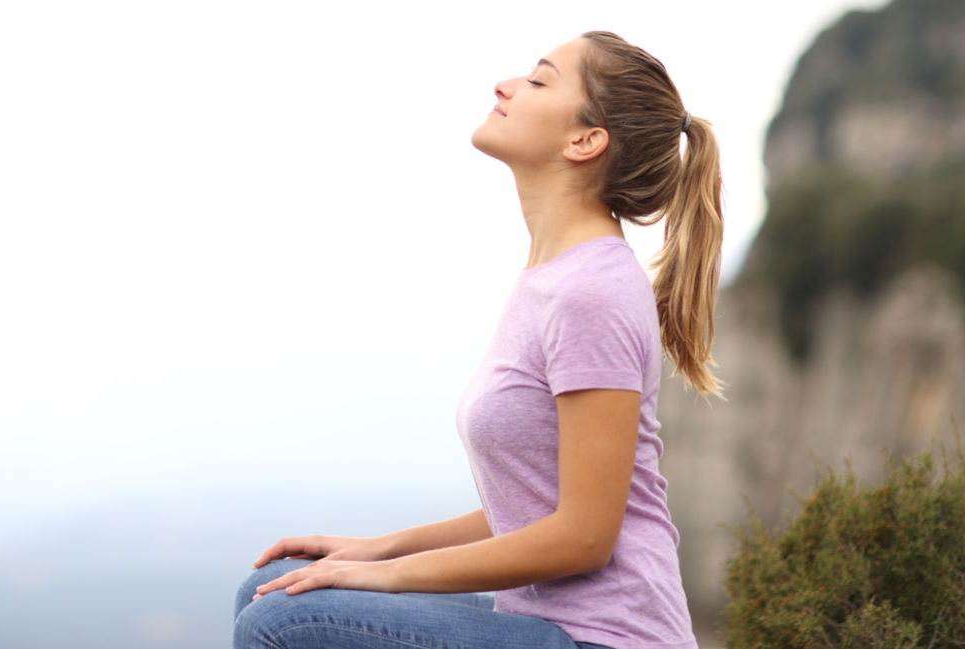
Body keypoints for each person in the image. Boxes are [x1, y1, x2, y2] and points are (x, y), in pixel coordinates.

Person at [232, 30, 723, 649]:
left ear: (585, 140)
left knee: (283, 622)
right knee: (273, 586)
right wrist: (378, 549)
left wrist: (385, 577)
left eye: (538, 80)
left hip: (606, 638)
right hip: (546, 622)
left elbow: (584, 538)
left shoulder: (590, 292)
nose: (506, 86)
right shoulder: (552, 276)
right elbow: (530, 504)